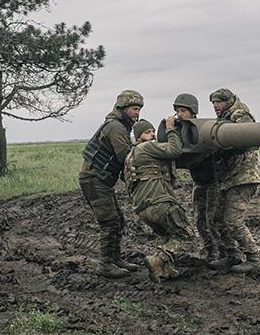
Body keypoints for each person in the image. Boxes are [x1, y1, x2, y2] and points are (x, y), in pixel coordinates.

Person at [78, 90, 144, 278]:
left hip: (100, 180)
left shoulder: (119, 126)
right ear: (122, 108)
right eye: (133, 109)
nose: (136, 113)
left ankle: (115, 259)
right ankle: (105, 264)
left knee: (118, 220)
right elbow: (124, 157)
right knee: (109, 222)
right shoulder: (116, 127)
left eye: (138, 109)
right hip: (94, 179)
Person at [123, 116, 197, 282]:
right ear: (139, 135)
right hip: (160, 203)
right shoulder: (147, 147)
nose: (153, 134)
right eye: (148, 132)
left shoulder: (131, 155)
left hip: (143, 208)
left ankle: (165, 270)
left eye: (153, 131)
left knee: (167, 237)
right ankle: (158, 260)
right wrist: (171, 128)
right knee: (187, 237)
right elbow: (174, 150)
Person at [208, 88, 260, 273]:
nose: (216, 106)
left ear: (229, 101)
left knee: (233, 220)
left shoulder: (240, 116)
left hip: (244, 176)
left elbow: (246, 139)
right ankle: (232, 256)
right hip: (230, 177)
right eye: (214, 103)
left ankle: (254, 259)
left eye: (219, 102)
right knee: (217, 219)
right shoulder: (225, 118)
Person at [172, 93, 221, 261]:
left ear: (192, 112)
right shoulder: (181, 130)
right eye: (177, 111)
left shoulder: (202, 130)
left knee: (212, 219)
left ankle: (223, 252)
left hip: (214, 182)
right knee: (200, 220)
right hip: (198, 182)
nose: (179, 114)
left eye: (183, 111)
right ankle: (210, 251)